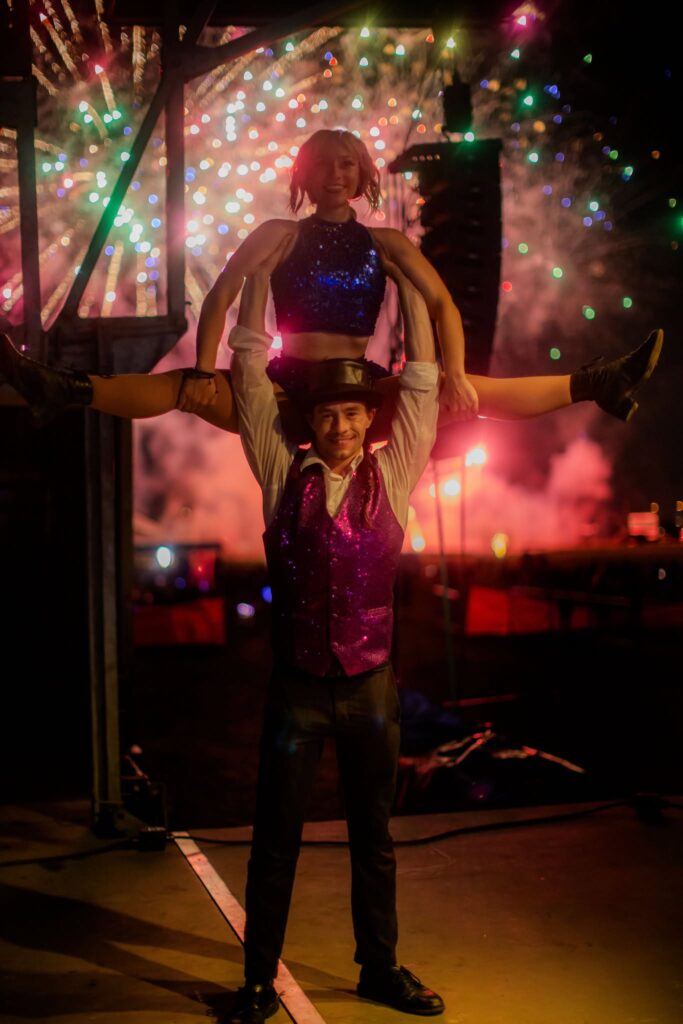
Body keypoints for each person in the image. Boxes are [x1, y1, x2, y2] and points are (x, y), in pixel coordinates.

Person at [0, 129, 664, 435]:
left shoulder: (386, 243)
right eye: (323, 165)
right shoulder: (277, 233)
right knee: (182, 391)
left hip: (355, 386)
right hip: (283, 385)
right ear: (305, 175)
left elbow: (438, 300)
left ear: (364, 175)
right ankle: (59, 388)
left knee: (450, 395)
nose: (336, 175)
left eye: (347, 164)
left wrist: (455, 369)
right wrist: (206, 366)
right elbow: (224, 292)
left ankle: (596, 383)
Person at [223, 251, 444, 1024]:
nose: (344, 424)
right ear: (312, 422)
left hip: (370, 687)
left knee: (373, 837)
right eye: (329, 414)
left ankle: (379, 968)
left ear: (368, 419)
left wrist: (413, 287)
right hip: (297, 690)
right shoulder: (283, 473)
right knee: (274, 838)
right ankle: (256, 981)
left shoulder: (398, 471)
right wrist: (254, 271)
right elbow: (248, 375)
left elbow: (421, 378)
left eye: (354, 412)